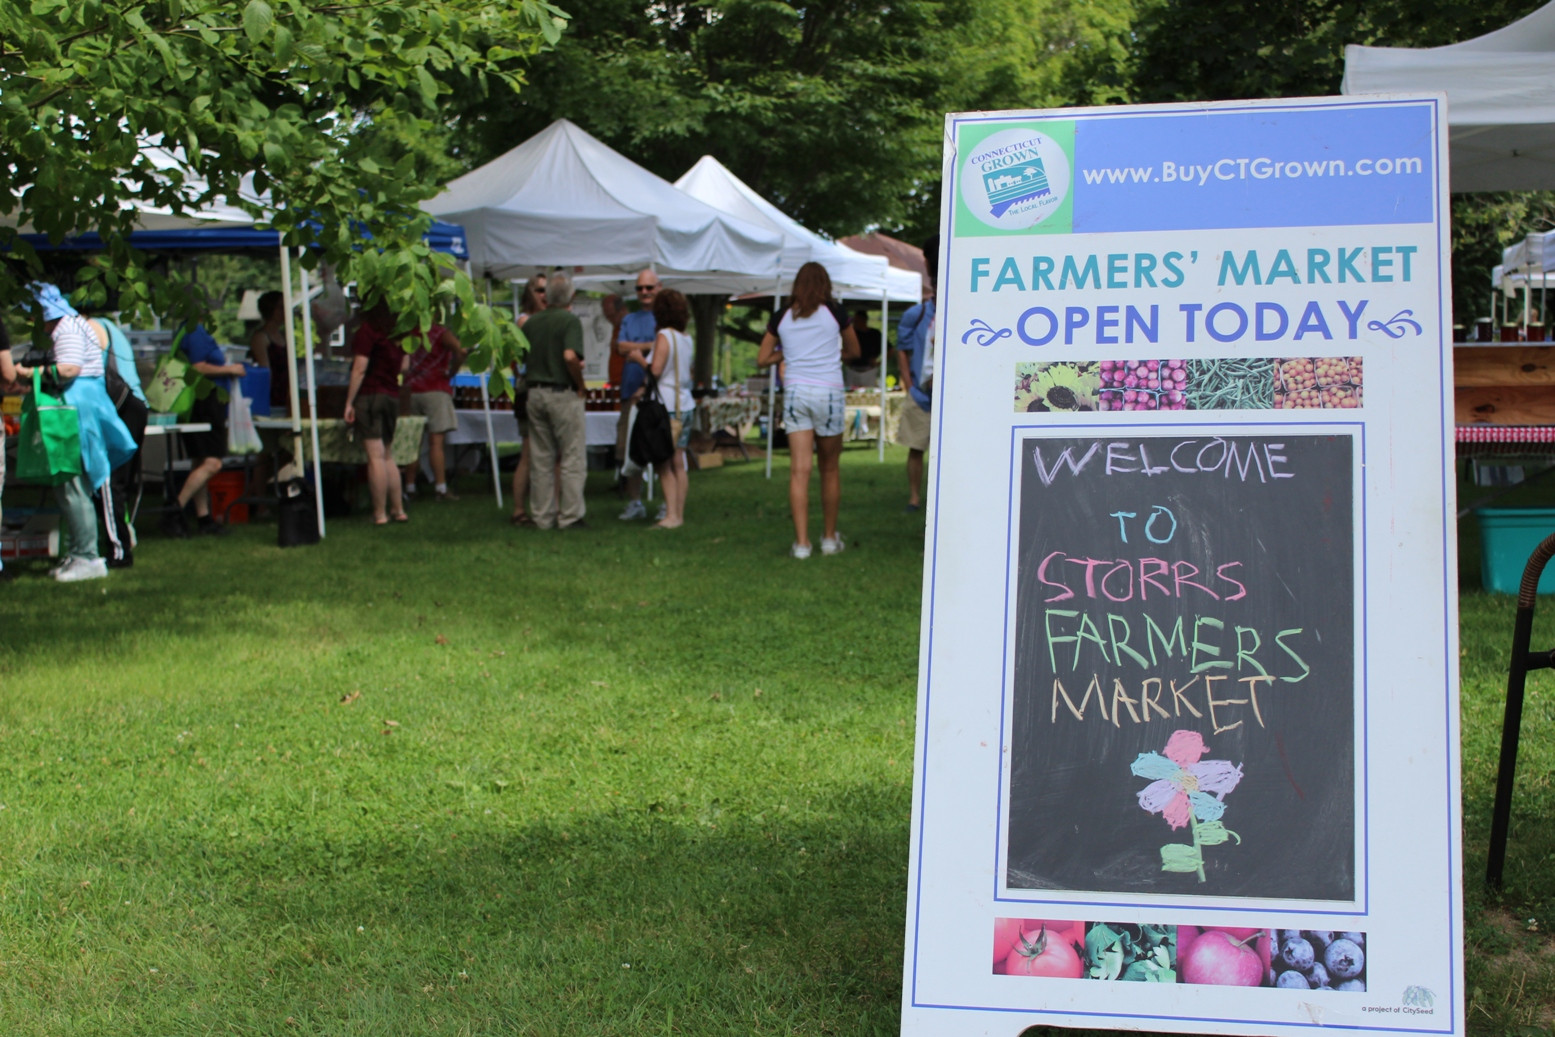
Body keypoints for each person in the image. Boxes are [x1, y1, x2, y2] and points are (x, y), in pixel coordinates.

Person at [16, 284, 137, 580]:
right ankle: (80, 553)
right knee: (74, 482)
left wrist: (29, 373)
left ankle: (87, 557)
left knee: (72, 482)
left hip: (77, 409)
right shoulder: (76, 324)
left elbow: (69, 369)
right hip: (85, 406)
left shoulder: (66, 329)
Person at [756, 262, 860, 558]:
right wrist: (831, 352)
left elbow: (762, 358)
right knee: (829, 468)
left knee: (799, 472)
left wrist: (786, 353)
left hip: (796, 392)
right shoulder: (835, 313)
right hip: (828, 391)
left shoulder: (782, 317)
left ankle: (801, 544)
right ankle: (828, 538)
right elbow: (854, 352)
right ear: (825, 284)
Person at [162, 312, 247, 538]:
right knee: (213, 463)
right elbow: (198, 367)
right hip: (203, 403)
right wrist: (230, 370)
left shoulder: (184, 330)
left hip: (194, 405)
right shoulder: (195, 332)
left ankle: (204, 517)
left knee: (199, 461)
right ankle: (174, 509)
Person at [80, 300, 148, 567]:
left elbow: (90, 371)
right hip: (135, 404)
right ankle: (123, 536)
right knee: (120, 482)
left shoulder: (91, 327)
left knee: (109, 482)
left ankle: (119, 550)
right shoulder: (110, 326)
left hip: (121, 407)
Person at [523, 272, 588, 530]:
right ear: (571, 296)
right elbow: (570, 356)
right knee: (572, 456)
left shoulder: (530, 323)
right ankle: (570, 516)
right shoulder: (569, 321)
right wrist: (580, 385)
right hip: (562, 393)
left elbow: (521, 357)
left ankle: (542, 516)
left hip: (534, 392)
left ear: (546, 296)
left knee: (541, 458)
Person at [343, 297, 410, 525]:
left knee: (375, 457)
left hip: (371, 395)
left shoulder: (367, 331)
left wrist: (349, 402)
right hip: (392, 396)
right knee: (388, 455)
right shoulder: (398, 333)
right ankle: (398, 509)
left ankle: (380, 513)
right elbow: (405, 366)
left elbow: (359, 368)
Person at [645, 288, 694, 529]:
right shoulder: (687, 338)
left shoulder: (664, 336)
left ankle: (671, 515)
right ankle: (679, 514)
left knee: (664, 462)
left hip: (667, 405)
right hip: (685, 403)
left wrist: (636, 359)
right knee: (679, 460)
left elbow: (656, 370)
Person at [612, 269, 659, 520]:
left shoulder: (663, 318)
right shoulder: (629, 319)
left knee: (661, 450)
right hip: (629, 393)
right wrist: (649, 346)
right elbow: (620, 347)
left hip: (655, 394)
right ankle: (635, 502)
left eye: (649, 288)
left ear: (658, 288)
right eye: (640, 288)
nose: (644, 293)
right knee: (629, 451)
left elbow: (662, 350)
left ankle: (665, 502)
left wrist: (638, 349)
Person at [401, 323, 466, 501]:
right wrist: (452, 371)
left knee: (412, 442)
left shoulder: (408, 330)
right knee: (436, 444)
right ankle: (440, 488)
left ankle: (410, 486)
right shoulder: (440, 332)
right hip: (436, 389)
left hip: (411, 390)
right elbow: (461, 351)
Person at [896, 236, 937, 512]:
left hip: (953, 396)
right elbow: (902, 348)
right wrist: (909, 384)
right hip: (921, 394)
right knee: (916, 446)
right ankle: (913, 497)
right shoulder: (918, 313)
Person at [509, 273, 546, 527]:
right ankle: (519, 509)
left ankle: (538, 506)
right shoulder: (524, 321)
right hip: (529, 390)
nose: (544, 295)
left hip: (541, 389)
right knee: (528, 452)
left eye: (547, 290)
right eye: (539, 290)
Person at [246, 290, 290, 412]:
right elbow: (265, 370)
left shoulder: (284, 336)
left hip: (285, 392)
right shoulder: (261, 337)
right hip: (271, 395)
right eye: (281, 308)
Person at [844, 309, 883, 388]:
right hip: (852, 369)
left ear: (864, 320)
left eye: (857, 320)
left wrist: (879, 362)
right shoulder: (852, 333)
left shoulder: (875, 334)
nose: (854, 323)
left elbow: (890, 350)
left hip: (869, 371)